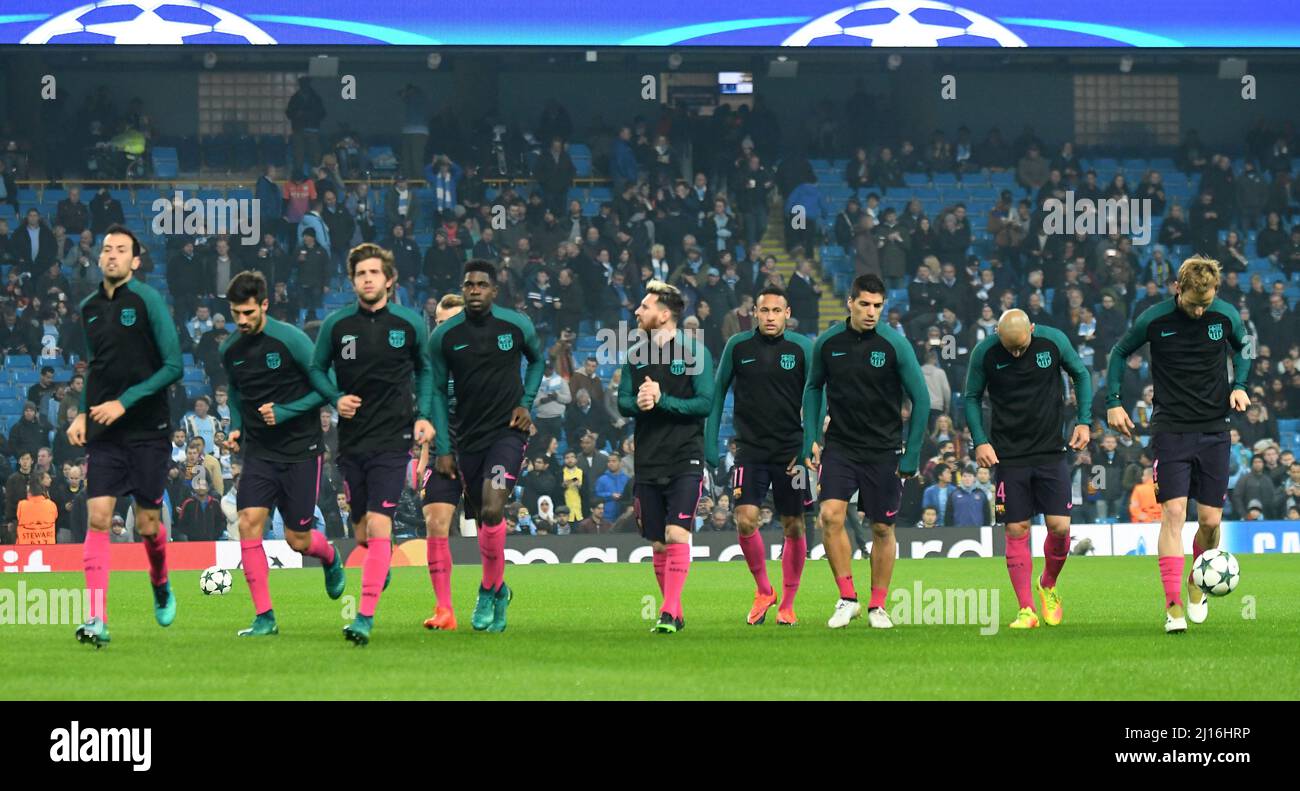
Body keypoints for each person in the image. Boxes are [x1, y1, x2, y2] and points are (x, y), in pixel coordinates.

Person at [1105, 256, 1250, 634]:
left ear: (1215, 292)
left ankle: (1195, 585)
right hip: (1170, 430)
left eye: (1207, 302)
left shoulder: (1226, 316)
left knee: (1210, 521)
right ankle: (1172, 608)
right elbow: (1119, 353)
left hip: (1215, 430)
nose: (1200, 310)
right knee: (1172, 515)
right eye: (1193, 303)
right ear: (1177, 289)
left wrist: (1240, 385)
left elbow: (1244, 350)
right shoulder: (1154, 320)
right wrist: (1114, 401)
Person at [310, 243, 435, 645]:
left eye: (374, 273)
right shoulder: (336, 325)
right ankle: (381, 562)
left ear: (389, 279)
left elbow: (426, 370)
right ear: (352, 281)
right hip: (351, 441)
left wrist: (424, 415)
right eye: (360, 273)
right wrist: (335, 398)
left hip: (393, 439)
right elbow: (315, 369)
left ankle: (363, 618)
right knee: (363, 533)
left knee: (380, 527)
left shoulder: (410, 323)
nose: (367, 279)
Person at [69, 224, 183, 648]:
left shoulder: (149, 300)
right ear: (99, 258)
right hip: (105, 431)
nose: (112, 255)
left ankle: (160, 580)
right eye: (106, 248)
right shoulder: (88, 307)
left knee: (149, 525)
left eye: (121, 250)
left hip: (148, 430)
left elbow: (173, 365)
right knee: (98, 518)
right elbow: (94, 367)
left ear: (135, 261)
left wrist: (125, 402)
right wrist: (83, 414)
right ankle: (96, 618)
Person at [220, 271, 345, 637]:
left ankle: (331, 556)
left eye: (248, 313)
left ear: (264, 305)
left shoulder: (291, 340)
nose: (241, 321)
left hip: (301, 451)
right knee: (248, 524)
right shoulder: (230, 349)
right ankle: (265, 617)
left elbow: (328, 387)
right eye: (235, 313)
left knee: (297, 540)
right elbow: (235, 393)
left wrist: (287, 412)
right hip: (259, 452)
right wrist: (236, 425)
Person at [802, 273, 930, 630]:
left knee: (883, 528)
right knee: (830, 516)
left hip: (884, 450)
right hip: (840, 446)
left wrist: (912, 454)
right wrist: (809, 436)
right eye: (865, 304)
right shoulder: (828, 342)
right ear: (850, 302)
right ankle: (847, 598)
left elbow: (921, 399)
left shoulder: (895, 344)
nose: (872, 312)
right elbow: (813, 389)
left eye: (878, 306)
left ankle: (877, 605)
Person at [428, 260, 543, 633]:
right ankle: (501, 587)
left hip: (506, 434)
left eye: (481, 284)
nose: (474, 289)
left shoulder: (516, 325)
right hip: (466, 440)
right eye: (468, 284)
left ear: (494, 291)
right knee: (481, 520)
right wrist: (443, 449)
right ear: (463, 290)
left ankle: (488, 590)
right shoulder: (444, 338)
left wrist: (525, 401)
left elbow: (538, 359)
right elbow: (436, 396)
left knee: (493, 507)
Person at [964, 309, 1092, 629]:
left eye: (1022, 346)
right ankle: (1026, 610)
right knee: (1016, 528)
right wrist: (980, 441)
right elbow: (970, 398)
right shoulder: (985, 352)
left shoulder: (1053, 341)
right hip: (1008, 455)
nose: (1017, 353)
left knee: (1060, 528)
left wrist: (1085, 421)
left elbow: (1081, 374)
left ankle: (1047, 583)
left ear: (1032, 329)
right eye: (1011, 349)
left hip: (1050, 450)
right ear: (997, 333)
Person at [704, 286, 814, 626]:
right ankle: (765, 590)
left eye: (776, 311)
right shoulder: (738, 346)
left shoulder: (803, 348)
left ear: (787, 313)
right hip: (749, 449)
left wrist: (810, 441)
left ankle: (788, 604)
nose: (770, 317)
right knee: (746, 518)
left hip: (790, 451)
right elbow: (718, 390)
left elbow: (815, 395)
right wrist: (710, 441)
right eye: (764, 311)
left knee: (793, 524)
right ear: (754, 312)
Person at [617, 281, 713, 633]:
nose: (637, 311)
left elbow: (705, 403)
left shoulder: (695, 353)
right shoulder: (635, 354)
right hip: (648, 458)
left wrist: (663, 401)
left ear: (664, 314)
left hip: (685, 455)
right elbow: (622, 401)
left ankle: (669, 611)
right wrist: (640, 402)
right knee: (658, 542)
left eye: (645, 306)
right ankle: (676, 609)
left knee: (676, 534)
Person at [416, 293, 466, 631]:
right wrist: (423, 457)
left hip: (479, 447)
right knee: (436, 522)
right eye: (438, 322)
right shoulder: (429, 362)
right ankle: (444, 609)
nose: (442, 328)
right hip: (440, 451)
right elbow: (429, 410)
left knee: (491, 522)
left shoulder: (482, 355)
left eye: (449, 323)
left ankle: (495, 588)